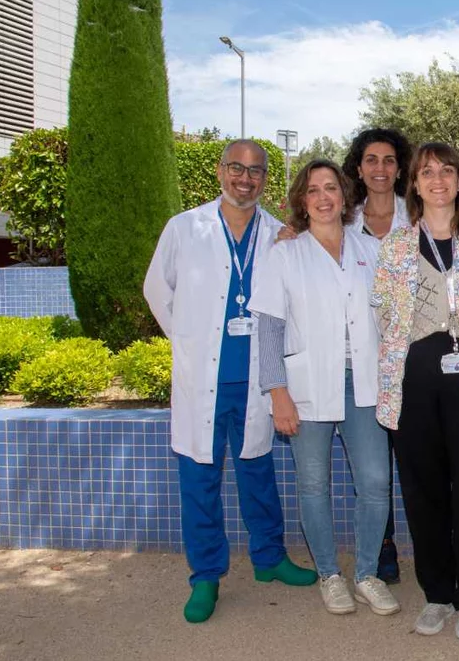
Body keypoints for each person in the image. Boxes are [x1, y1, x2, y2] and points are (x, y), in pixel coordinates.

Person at [143, 139, 317, 625]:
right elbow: (157, 289)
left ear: (266, 178)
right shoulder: (185, 228)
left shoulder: (280, 234)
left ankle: (269, 558)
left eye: (256, 171)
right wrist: (189, 339)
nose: (246, 178)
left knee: (258, 473)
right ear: (221, 171)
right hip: (204, 379)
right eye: (236, 168)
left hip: (257, 379)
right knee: (200, 476)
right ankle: (205, 576)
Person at [371, 142, 459, 640]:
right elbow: (385, 315)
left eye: (447, 171)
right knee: (422, 489)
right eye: (426, 172)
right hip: (413, 379)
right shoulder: (394, 246)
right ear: (413, 183)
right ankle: (436, 593)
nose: (437, 180)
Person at [248, 159, 399, 617]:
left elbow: (390, 317)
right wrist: (276, 391)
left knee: (375, 481)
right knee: (314, 484)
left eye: (331, 187)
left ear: (344, 195)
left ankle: (367, 573)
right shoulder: (286, 253)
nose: (323, 197)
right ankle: (330, 576)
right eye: (313, 190)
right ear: (302, 199)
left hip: (363, 382)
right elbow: (269, 327)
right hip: (307, 382)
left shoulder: (369, 249)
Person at [341, 127, 414, 584]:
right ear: (359, 167)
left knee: (415, 457)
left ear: (400, 167)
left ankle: (427, 542)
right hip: (363, 361)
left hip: (415, 360)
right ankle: (383, 544)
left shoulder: (420, 217)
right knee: (374, 467)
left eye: (389, 160)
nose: (381, 168)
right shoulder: (341, 221)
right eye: (372, 159)